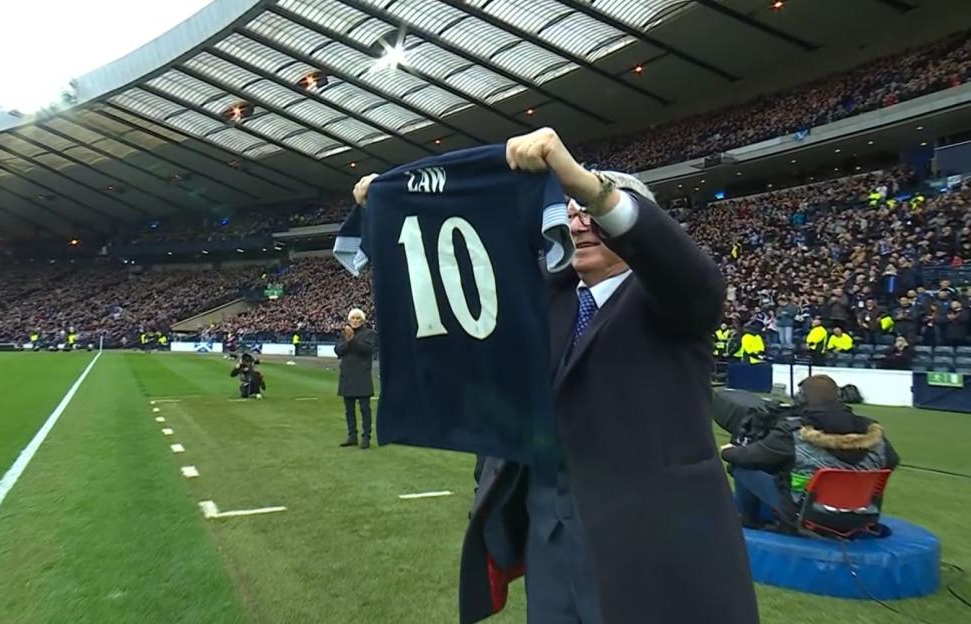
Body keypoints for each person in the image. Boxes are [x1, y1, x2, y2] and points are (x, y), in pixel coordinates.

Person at [355, 128, 757, 624]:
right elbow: (466, 267)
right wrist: (396, 202)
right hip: (550, 541)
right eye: (569, 213)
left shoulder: (672, 298)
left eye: (592, 214)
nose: (579, 223)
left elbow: (683, 268)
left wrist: (588, 186)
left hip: (653, 546)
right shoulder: (547, 299)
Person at [719, 375, 899, 531]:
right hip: (863, 513)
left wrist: (729, 451)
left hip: (808, 513)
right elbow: (891, 461)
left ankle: (749, 522)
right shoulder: (871, 432)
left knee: (740, 467)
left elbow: (750, 457)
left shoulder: (794, 432)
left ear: (802, 399)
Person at [336, 308, 376, 449]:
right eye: (353, 318)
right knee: (349, 409)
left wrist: (352, 340)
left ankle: (366, 437)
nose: (355, 320)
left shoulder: (369, 334)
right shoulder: (344, 334)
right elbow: (338, 351)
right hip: (347, 375)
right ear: (349, 320)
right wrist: (348, 341)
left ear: (363, 320)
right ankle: (352, 436)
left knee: (365, 408)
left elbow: (366, 350)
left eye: (358, 318)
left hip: (362, 375)